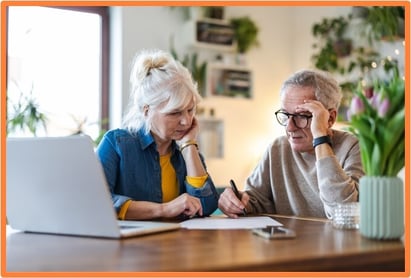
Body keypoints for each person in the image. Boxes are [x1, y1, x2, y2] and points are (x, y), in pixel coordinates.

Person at [218, 69, 364, 219]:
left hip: (338, 243)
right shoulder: (277, 149)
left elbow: (345, 212)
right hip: (286, 242)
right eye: (285, 115)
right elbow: (255, 201)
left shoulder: (352, 148)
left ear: (330, 118)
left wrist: (320, 138)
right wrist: (235, 203)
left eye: (301, 116)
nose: (289, 127)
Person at [96, 49, 219, 220]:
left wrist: (189, 146)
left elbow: (205, 207)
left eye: (190, 110)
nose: (186, 121)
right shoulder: (116, 143)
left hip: (176, 245)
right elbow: (98, 202)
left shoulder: (185, 148)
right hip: (130, 245)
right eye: (174, 113)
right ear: (146, 111)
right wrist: (163, 209)